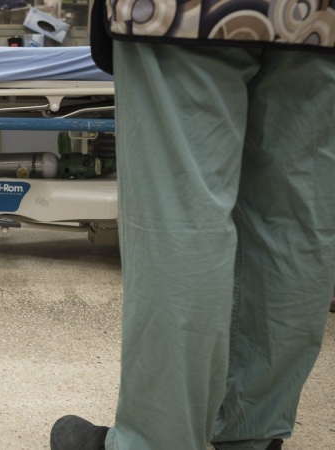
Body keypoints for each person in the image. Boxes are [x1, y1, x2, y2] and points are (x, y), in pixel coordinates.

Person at [50, 1, 335, 450]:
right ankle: (252, 431)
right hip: (318, 20)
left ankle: (157, 442)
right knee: (294, 218)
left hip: (184, 15)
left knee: (179, 215)